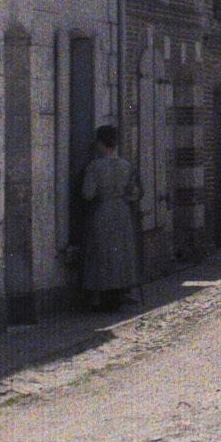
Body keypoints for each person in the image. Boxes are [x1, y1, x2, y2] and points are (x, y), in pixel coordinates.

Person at [79, 124, 141, 312]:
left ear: (99, 143)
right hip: (121, 212)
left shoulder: (95, 167)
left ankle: (103, 296)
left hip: (103, 211)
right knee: (120, 253)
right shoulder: (126, 166)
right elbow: (134, 193)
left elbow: (87, 193)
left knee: (102, 253)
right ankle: (120, 292)